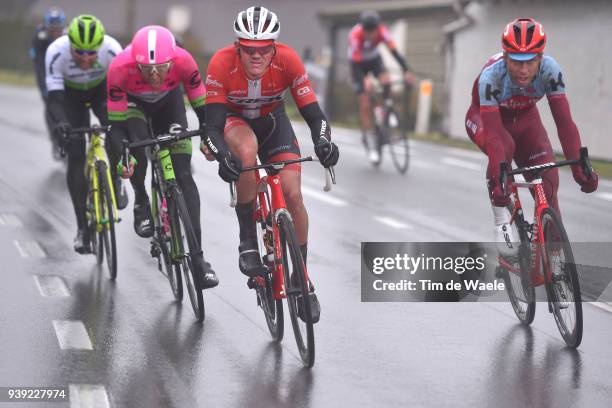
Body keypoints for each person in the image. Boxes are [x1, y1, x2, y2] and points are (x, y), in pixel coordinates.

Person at [202, 6, 339, 323]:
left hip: (273, 122)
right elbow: (211, 128)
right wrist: (223, 156)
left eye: (264, 50)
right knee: (246, 153)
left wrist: (324, 143)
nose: (256, 57)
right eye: (249, 50)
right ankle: (248, 241)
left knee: (292, 194)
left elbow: (315, 116)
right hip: (234, 123)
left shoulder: (288, 60)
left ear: (274, 48)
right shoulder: (222, 63)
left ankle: (300, 276)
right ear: (238, 46)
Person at [464, 18, 598, 256]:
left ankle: (554, 260)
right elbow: (495, 138)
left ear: (540, 58)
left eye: (530, 62)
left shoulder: (550, 71)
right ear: (505, 57)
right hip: (487, 120)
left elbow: (565, 123)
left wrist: (580, 167)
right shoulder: (491, 77)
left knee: (548, 183)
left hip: (526, 119)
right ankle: (502, 219)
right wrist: (499, 183)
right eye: (516, 62)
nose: (524, 70)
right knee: (505, 147)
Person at [107, 25, 218, 289]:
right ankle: (142, 203)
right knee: (136, 149)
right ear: (136, 63)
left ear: (173, 60)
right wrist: (123, 155)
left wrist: (209, 138)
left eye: (161, 68)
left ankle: (199, 260)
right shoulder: (119, 68)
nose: (155, 75)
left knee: (183, 176)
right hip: (134, 108)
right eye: (147, 69)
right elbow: (116, 125)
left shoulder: (184, 61)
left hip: (169, 106)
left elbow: (203, 108)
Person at [46, 14, 127, 254]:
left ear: (100, 47)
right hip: (70, 98)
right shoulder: (56, 52)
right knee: (76, 155)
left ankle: (116, 180)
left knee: (115, 132)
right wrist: (61, 123)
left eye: (91, 53)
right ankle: (83, 229)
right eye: (79, 52)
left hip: (101, 92)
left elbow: (120, 95)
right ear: (69, 43)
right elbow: (55, 100)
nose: (85, 57)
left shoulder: (112, 50)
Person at [348, 10, 416, 164]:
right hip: (357, 65)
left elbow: (394, 52)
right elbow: (356, 64)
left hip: (374, 59)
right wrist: (365, 80)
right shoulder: (355, 36)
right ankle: (371, 140)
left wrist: (406, 71)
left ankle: (387, 109)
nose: (371, 35)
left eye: (373, 31)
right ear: (362, 28)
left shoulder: (382, 32)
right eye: (368, 31)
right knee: (365, 100)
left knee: (387, 80)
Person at [30, 7, 66, 159]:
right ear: (46, 27)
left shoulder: (68, 35)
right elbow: (39, 65)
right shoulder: (40, 37)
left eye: (58, 30)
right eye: (52, 30)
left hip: (61, 71)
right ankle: (54, 137)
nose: (56, 34)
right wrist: (45, 88)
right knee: (50, 104)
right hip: (45, 70)